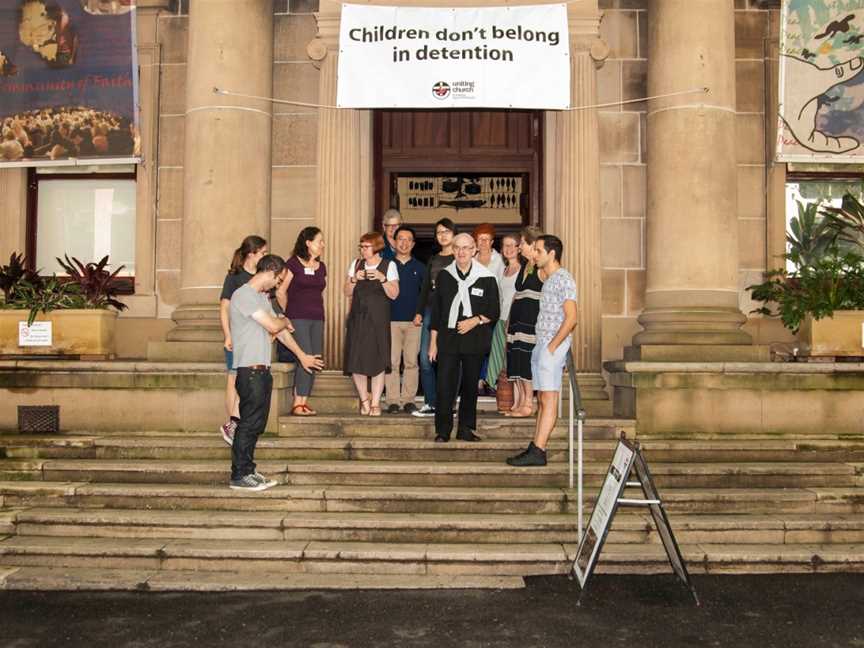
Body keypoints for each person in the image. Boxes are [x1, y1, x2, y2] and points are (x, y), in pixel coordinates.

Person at [229, 254, 324, 490]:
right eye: (279, 280)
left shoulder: (261, 298)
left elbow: (281, 332)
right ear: (271, 272)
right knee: (249, 423)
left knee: (257, 424)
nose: (278, 285)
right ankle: (239, 475)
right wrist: (283, 319)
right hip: (249, 370)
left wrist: (303, 357)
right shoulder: (243, 295)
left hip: (261, 370)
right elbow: (275, 326)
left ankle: (248, 470)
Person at [506, 235, 578, 467]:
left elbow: (572, 318)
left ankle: (539, 449)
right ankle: (536, 446)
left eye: (538, 251)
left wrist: (552, 346)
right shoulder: (549, 279)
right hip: (542, 345)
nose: (533, 254)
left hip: (550, 347)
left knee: (548, 398)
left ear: (551, 253)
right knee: (543, 400)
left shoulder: (563, 279)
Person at [428, 233, 500, 443]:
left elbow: (494, 310)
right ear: (453, 250)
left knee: (470, 386)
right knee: (445, 386)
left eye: (466, 248)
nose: (461, 252)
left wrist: (474, 320)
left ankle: (466, 429)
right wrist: (433, 344)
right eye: (457, 247)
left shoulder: (486, 277)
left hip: (474, 338)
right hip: (448, 339)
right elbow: (437, 313)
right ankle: (442, 430)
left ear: (474, 250)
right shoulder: (444, 276)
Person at [344, 232, 400, 416]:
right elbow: (346, 291)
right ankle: (365, 400)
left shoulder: (389, 265)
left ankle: (376, 402)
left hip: (378, 320)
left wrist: (381, 278)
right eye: (361, 246)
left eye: (366, 246)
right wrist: (354, 279)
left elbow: (394, 294)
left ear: (376, 247)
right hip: (358, 318)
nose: (362, 250)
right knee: (356, 361)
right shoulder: (356, 264)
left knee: (378, 361)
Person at [219, 235, 268, 445]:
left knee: (246, 381)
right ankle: (231, 424)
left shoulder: (261, 277)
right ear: (252, 253)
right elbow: (224, 307)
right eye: (263, 253)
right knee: (234, 378)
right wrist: (227, 334)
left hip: (254, 341)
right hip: (237, 338)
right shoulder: (235, 277)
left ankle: (239, 422)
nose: (265, 256)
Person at [275, 226, 326, 416]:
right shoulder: (293, 264)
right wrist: (288, 314)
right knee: (306, 357)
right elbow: (280, 292)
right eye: (319, 241)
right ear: (308, 243)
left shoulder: (322, 267)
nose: (322, 244)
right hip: (298, 318)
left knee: (316, 358)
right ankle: (297, 403)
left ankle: (304, 401)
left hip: (317, 317)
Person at [412, 218, 456, 418]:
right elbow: (424, 291)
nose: (443, 235)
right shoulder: (433, 259)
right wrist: (419, 311)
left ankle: (448, 404)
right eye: (439, 232)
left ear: (454, 234)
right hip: (430, 311)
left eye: (447, 231)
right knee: (425, 358)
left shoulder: (459, 258)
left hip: (452, 313)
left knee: (449, 360)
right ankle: (430, 402)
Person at [386, 226, 426, 414]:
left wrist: (420, 313)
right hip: (390, 321)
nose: (404, 242)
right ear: (394, 242)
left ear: (413, 244)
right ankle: (393, 400)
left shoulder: (420, 267)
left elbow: (425, 295)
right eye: (400, 239)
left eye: (408, 239)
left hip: (413, 322)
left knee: (411, 362)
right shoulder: (385, 265)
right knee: (392, 362)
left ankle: (408, 399)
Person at [505, 226, 544, 417]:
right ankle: (520, 401)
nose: (519, 247)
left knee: (527, 361)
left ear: (532, 243)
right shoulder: (526, 266)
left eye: (522, 243)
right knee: (517, 360)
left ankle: (529, 403)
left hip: (531, 320)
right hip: (517, 320)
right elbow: (517, 294)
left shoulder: (541, 267)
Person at [485, 233, 521, 400]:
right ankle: (501, 394)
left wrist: (511, 320)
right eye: (505, 245)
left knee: (513, 359)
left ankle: (516, 398)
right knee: (498, 356)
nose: (508, 249)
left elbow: (519, 296)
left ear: (519, 248)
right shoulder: (504, 269)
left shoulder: (523, 270)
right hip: (500, 319)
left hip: (514, 321)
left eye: (512, 245)